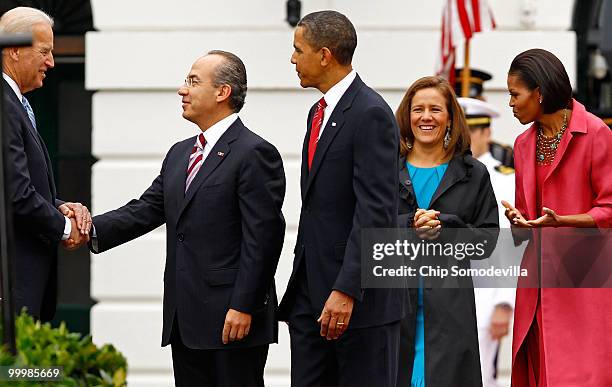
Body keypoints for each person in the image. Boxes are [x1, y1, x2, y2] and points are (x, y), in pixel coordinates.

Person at [88, 51, 286, 386]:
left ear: (222, 92)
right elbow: (146, 209)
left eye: (193, 81)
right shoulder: (180, 153)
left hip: (232, 321)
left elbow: (264, 238)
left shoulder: (254, 153)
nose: (183, 90)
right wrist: (85, 228)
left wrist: (244, 306)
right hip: (186, 320)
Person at [277, 10, 405, 387]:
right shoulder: (317, 113)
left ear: (325, 55)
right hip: (310, 297)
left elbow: (375, 211)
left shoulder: (370, 113)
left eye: (298, 50)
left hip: (357, 303)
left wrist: (347, 288)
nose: (292, 59)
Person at [502, 48, 612, 386]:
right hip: (537, 286)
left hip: (586, 286)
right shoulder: (522, 145)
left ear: (539, 93)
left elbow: (609, 209)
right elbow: (528, 222)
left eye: (514, 94)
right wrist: (519, 221)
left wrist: (562, 220)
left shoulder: (596, 133)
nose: (510, 103)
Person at [395, 76, 499, 387]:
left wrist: (447, 229)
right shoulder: (386, 168)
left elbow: (487, 241)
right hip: (394, 307)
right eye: (418, 109)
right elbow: (364, 230)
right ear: (407, 116)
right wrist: (409, 226)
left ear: (451, 117)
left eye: (435, 109)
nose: (426, 117)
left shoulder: (473, 173)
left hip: (451, 312)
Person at [1, 6, 91, 322]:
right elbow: (15, 193)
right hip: (10, 290)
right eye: (45, 52)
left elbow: (17, 185)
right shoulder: (5, 105)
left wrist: (63, 206)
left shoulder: (15, 104)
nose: (51, 63)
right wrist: (65, 228)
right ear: (13, 50)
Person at [459, 97, 515, 387]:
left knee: (480, 376)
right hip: (444, 292)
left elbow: (510, 244)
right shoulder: (446, 172)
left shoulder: (505, 180)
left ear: (486, 132)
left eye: (470, 132)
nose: (464, 139)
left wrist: (504, 303)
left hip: (485, 295)